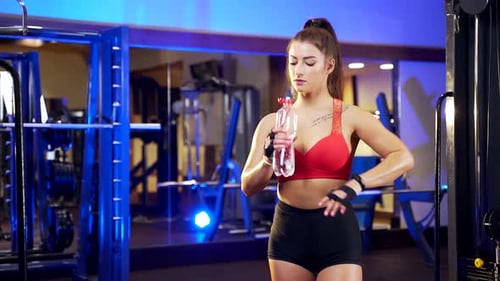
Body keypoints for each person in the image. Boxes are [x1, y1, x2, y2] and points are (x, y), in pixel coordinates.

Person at [241, 17, 415, 281]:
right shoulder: (272, 122)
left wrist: (355, 184)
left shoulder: (349, 116)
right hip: (288, 231)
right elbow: (247, 186)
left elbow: (403, 157)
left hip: (335, 231)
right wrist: (267, 160)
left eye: (309, 63)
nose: (298, 70)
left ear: (329, 65)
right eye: (293, 62)